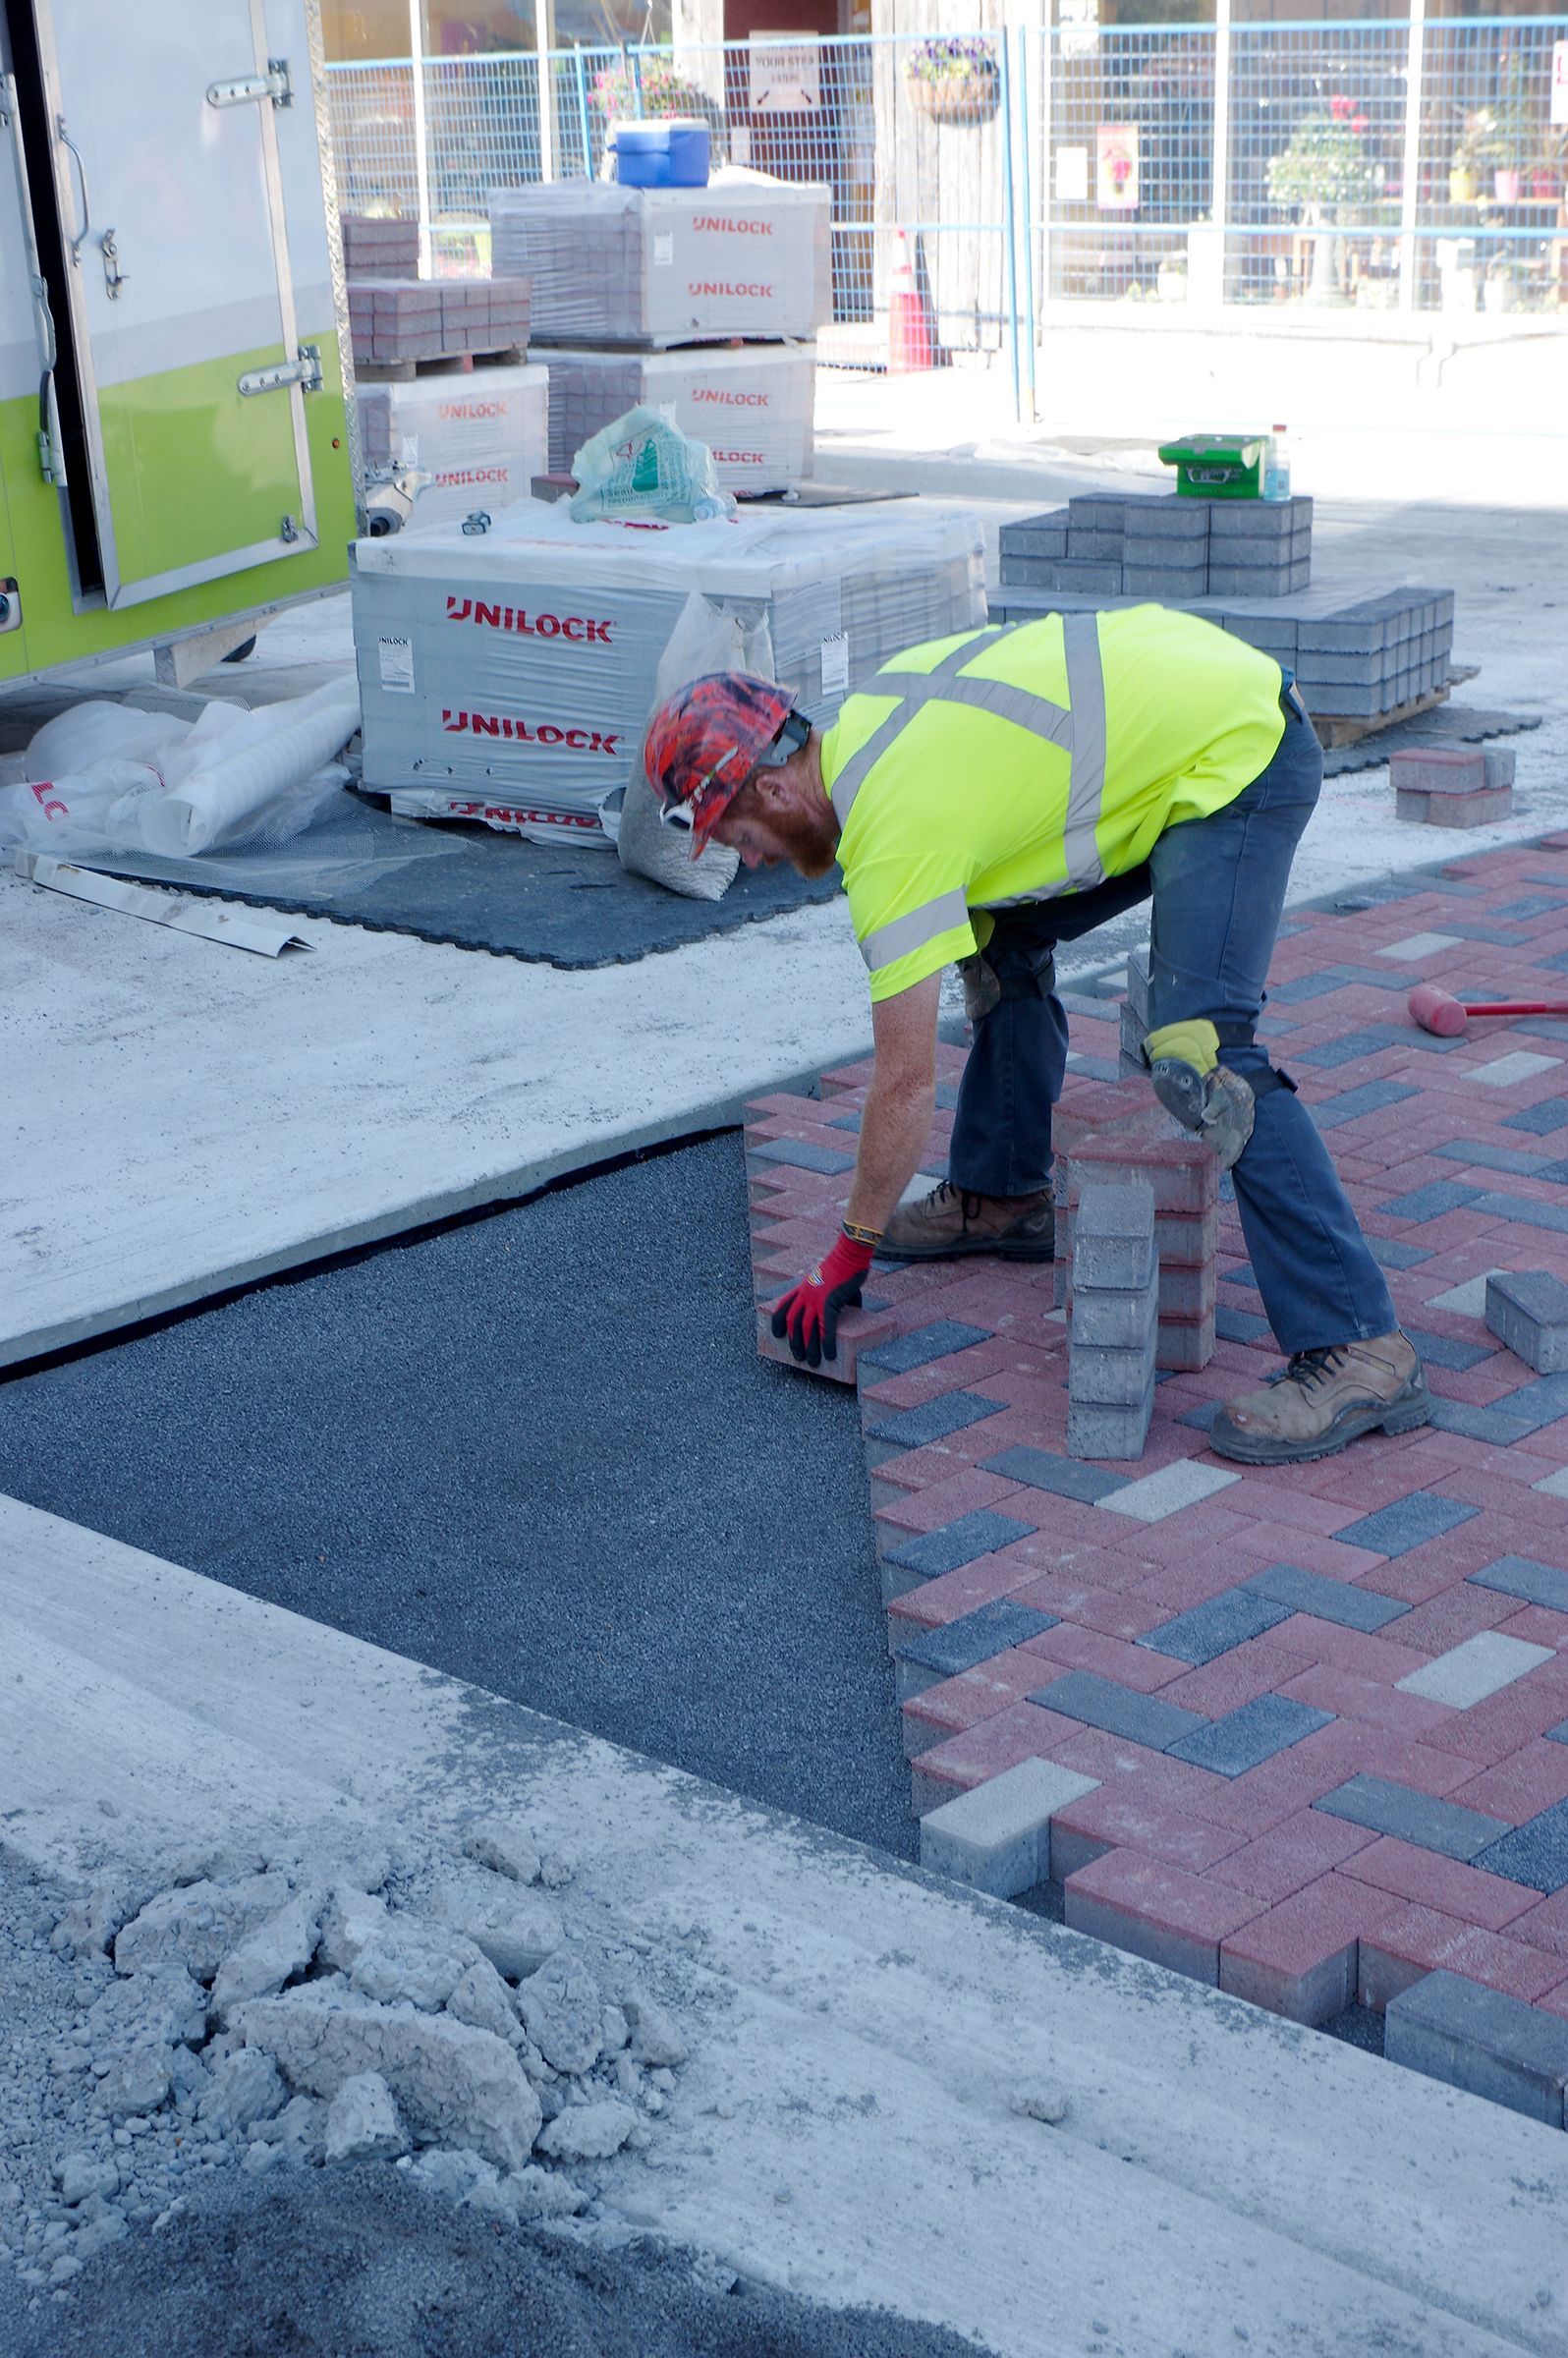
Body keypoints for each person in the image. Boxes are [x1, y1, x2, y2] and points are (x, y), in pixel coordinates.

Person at [643, 611, 1428, 1468]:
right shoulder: (864, 729)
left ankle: (1359, 1344)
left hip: (1239, 749)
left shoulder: (894, 830)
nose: (749, 862)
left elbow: (904, 1082)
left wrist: (846, 1252)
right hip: (1177, 715)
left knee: (1199, 1052)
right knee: (989, 932)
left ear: (772, 791)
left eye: (737, 838)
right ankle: (1004, 1193)